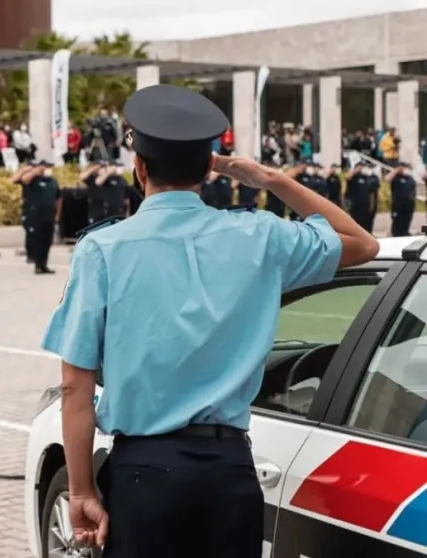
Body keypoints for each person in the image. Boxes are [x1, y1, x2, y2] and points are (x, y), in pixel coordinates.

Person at [44, 84, 378, 558]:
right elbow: (362, 243)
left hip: (143, 473)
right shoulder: (260, 236)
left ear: (140, 168)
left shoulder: (103, 249)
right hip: (228, 474)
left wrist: (81, 491)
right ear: (209, 169)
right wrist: (271, 180)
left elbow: (75, 388)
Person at [21, 161, 61, 274]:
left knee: (47, 241)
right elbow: (24, 179)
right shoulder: (34, 180)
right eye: (46, 167)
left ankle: (44, 264)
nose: (48, 169)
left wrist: (57, 214)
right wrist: (35, 172)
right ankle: (38, 265)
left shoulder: (53, 181)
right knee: (38, 241)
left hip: (49, 216)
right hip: (37, 216)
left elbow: (58, 198)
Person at [13, 162, 39, 264]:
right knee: (30, 233)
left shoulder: (39, 178)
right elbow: (15, 179)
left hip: (40, 209)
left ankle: (38, 254)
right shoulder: (26, 179)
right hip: (29, 209)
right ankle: (30, 255)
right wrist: (24, 170)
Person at [345, 163, 377, 233]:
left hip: (365, 206)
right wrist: (356, 170)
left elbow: (371, 193)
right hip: (355, 207)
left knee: (366, 226)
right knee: (356, 225)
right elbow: (347, 177)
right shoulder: (354, 177)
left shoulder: (367, 178)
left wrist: (371, 206)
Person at [387, 163, 416, 237]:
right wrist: (396, 171)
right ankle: (395, 233)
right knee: (397, 220)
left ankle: (405, 232)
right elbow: (387, 179)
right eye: (404, 167)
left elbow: (413, 190)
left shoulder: (410, 178)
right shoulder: (396, 177)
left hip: (408, 204)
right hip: (398, 204)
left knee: (407, 219)